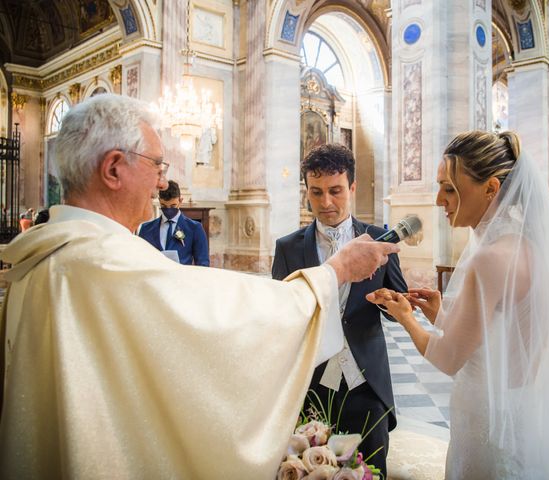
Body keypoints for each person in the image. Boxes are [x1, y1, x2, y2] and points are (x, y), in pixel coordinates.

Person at [0, 94, 400, 479]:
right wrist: (334, 271)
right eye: (156, 165)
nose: (162, 183)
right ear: (114, 169)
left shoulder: (46, 258)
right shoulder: (99, 262)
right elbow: (221, 316)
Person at [367, 130, 549, 479]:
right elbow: (501, 334)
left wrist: (406, 317)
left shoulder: (491, 259)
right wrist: (440, 312)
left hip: (486, 419)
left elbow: (448, 358)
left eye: (449, 188)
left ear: (491, 188)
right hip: (520, 408)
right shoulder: (530, 247)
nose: (439, 200)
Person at [272, 143, 407, 476]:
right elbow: (283, 316)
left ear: (352, 187)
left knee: (372, 470)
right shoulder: (288, 248)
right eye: (316, 192)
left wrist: (392, 303)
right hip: (314, 385)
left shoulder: (379, 238)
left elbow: (397, 309)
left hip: (367, 383)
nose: (326, 202)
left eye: (335, 191)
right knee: (314, 471)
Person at [138, 180, 210, 266]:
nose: (168, 209)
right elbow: (140, 261)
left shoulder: (194, 228)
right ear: (159, 201)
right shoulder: (146, 229)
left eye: (173, 206)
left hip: (182, 278)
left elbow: (203, 264)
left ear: (180, 201)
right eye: (164, 206)